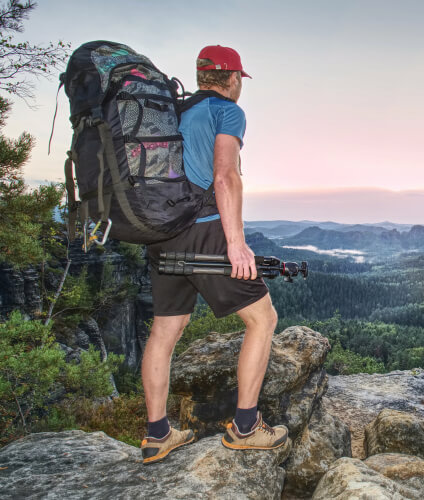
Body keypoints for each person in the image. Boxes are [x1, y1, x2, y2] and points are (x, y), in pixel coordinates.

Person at [139, 45, 287, 465]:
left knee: (165, 331)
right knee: (263, 319)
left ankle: (157, 435)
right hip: (205, 231)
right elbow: (225, 175)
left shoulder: (174, 112)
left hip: (162, 233)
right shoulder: (228, 111)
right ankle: (246, 427)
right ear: (232, 78)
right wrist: (235, 242)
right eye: (240, 78)